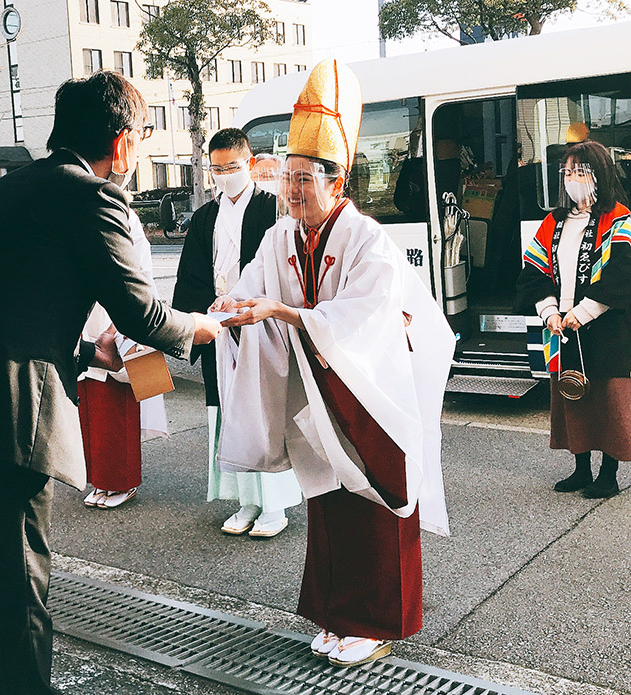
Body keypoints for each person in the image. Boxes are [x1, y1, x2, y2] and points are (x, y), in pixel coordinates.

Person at [0, 70, 221, 695]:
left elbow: (7, 302)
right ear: (120, 142)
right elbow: (143, 314)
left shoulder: (8, 189)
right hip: (0, 422)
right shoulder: (95, 198)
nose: (140, 149)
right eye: (143, 134)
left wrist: (78, 344)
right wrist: (207, 325)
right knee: (16, 590)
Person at [211, 59, 454, 667]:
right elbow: (253, 287)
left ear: (338, 180)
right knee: (329, 502)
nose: (292, 190)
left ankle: (376, 622)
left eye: (305, 178)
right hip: (319, 389)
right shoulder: (279, 237)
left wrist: (288, 315)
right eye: (287, 176)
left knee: (375, 500)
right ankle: (335, 613)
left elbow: (368, 316)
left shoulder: (368, 238)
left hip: (368, 391)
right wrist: (231, 306)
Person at [173, 128, 301, 537]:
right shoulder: (206, 216)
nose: (224, 174)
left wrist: (251, 304)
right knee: (227, 412)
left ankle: (274, 506)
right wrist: (198, 313)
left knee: (262, 411)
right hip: (217, 321)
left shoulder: (273, 209)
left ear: (249, 162)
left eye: (231, 166)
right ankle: (245, 500)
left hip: (257, 322)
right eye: (217, 168)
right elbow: (190, 273)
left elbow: (281, 268)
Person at [516, 139, 631, 500]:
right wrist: (550, 311)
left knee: (609, 398)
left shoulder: (620, 218)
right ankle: (581, 469)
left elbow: (622, 273)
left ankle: (608, 475)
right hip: (561, 327)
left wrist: (584, 312)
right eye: (567, 172)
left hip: (606, 325)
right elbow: (534, 271)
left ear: (599, 174)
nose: (571, 178)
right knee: (572, 395)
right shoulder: (554, 221)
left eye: (579, 171)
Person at [80, 207, 168, 509]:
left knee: (116, 404)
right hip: (84, 316)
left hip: (114, 316)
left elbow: (141, 274)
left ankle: (122, 481)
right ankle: (99, 480)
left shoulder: (124, 216)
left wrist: (120, 322)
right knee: (90, 404)